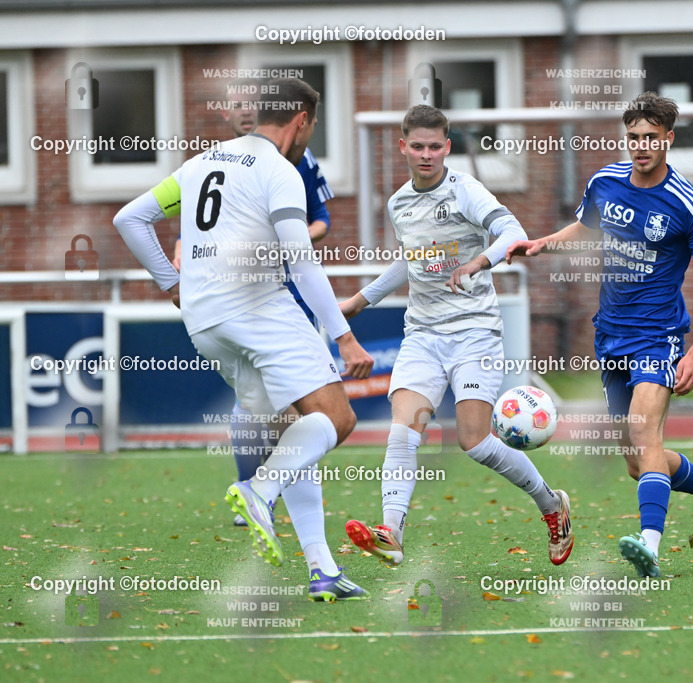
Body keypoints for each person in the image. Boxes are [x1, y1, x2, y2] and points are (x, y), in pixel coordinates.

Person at [113, 78, 374, 601]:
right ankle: (259, 488)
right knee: (336, 419)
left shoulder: (202, 161)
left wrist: (172, 283)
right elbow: (301, 262)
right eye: (313, 125)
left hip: (206, 322)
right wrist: (345, 338)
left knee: (293, 431)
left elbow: (129, 218)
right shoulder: (280, 172)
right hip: (260, 310)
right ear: (301, 119)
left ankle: (323, 570)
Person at [506, 91, 693, 578]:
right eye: (634, 137)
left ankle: (649, 546)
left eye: (651, 138)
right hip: (611, 335)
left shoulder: (690, 206)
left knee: (642, 431)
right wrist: (541, 244)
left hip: (660, 337)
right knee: (639, 462)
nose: (641, 146)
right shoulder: (604, 182)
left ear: (669, 140)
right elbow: (584, 229)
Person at [339, 105, 574, 567]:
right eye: (418, 147)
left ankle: (552, 506)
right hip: (423, 333)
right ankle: (391, 531)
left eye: (435, 147)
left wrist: (479, 262)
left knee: (475, 441)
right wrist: (358, 302)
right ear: (403, 147)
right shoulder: (399, 202)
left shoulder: (464, 190)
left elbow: (513, 232)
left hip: (474, 333)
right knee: (404, 430)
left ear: (446, 147)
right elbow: (410, 261)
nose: (427, 155)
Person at [171, 79, 335, 526]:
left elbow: (319, 223)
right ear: (226, 116)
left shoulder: (295, 161)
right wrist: (184, 247)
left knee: (292, 413)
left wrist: (281, 242)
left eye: (252, 107)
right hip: (252, 302)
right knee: (305, 415)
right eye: (237, 109)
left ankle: (312, 553)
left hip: (284, 294)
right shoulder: (221, 160)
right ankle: (258, 490)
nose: (245, 115)